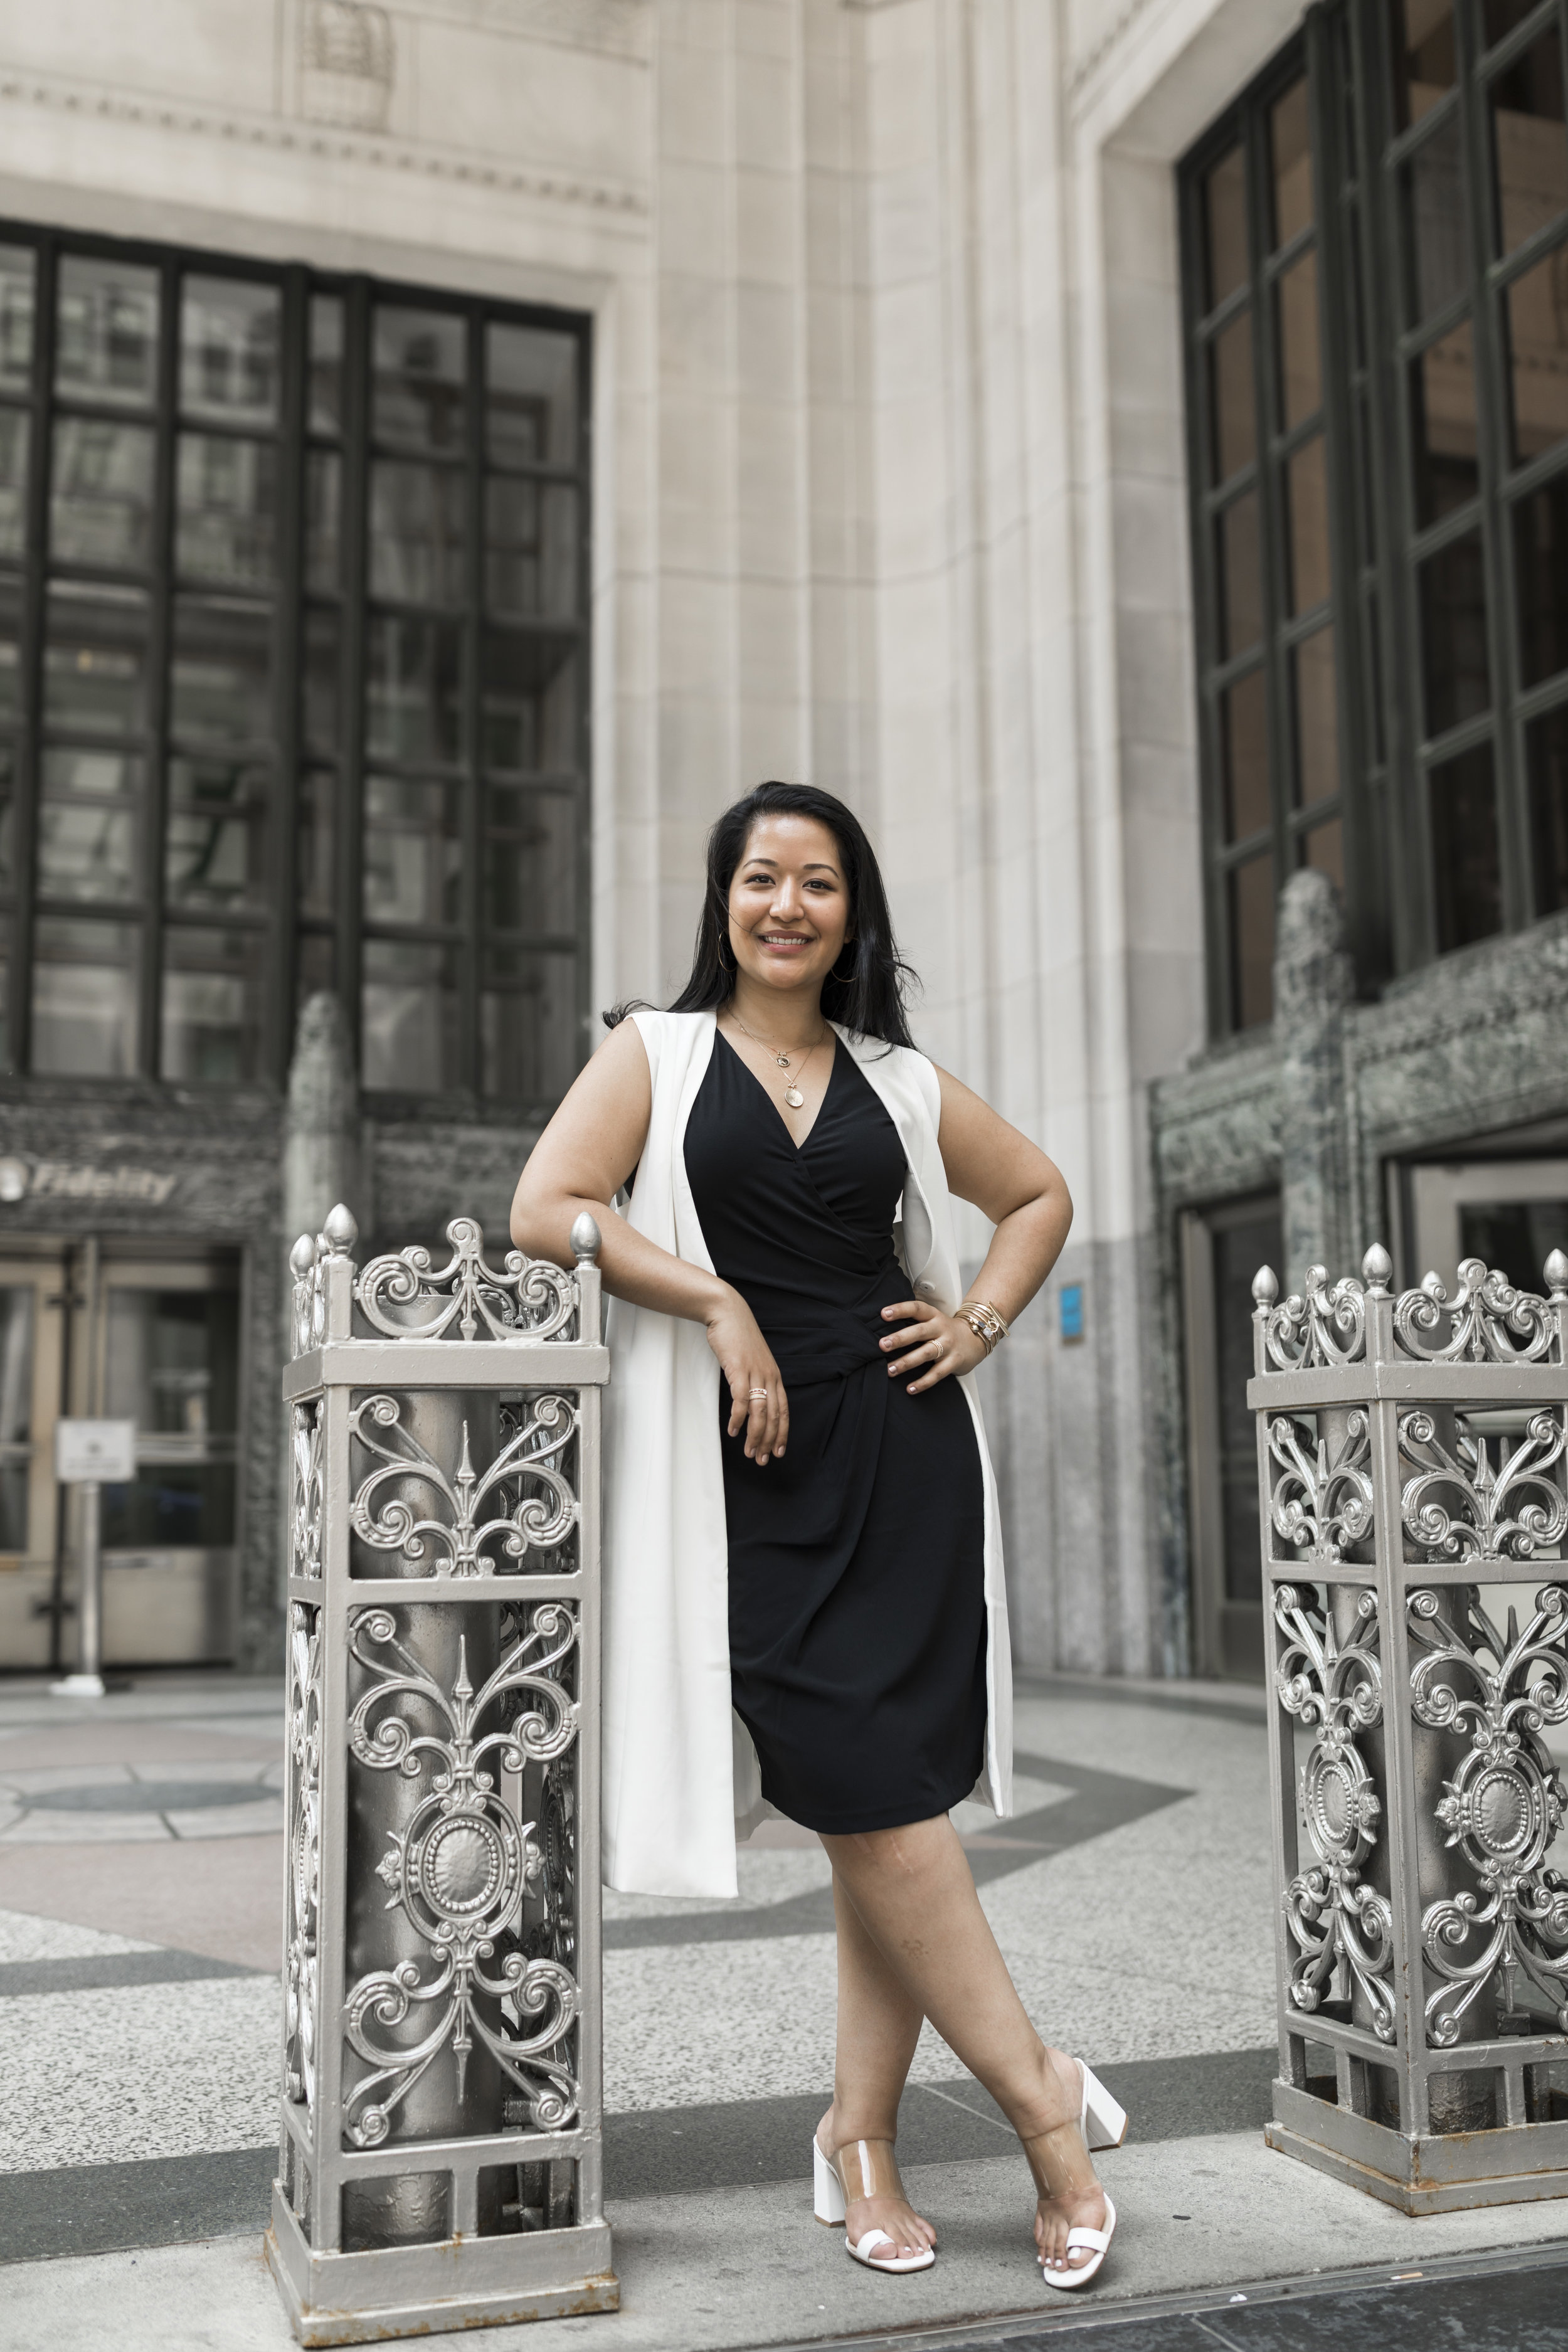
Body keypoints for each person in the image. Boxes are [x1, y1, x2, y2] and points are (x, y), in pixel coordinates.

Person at [511, 780, 1125, 2287]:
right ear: (722, 898)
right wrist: (711, 1299)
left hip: (901, 1455)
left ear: (853, 912)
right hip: (746, 1472)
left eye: (820, 883)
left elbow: (1038, 1193)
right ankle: (1045, 2106)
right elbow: (546, 1206)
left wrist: (977, 1323)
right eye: (760, 877)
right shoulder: (651, 1054)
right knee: (864, 1793)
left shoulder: (896, 1079)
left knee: (880, 1810)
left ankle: (860, 2141)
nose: (787, 905)